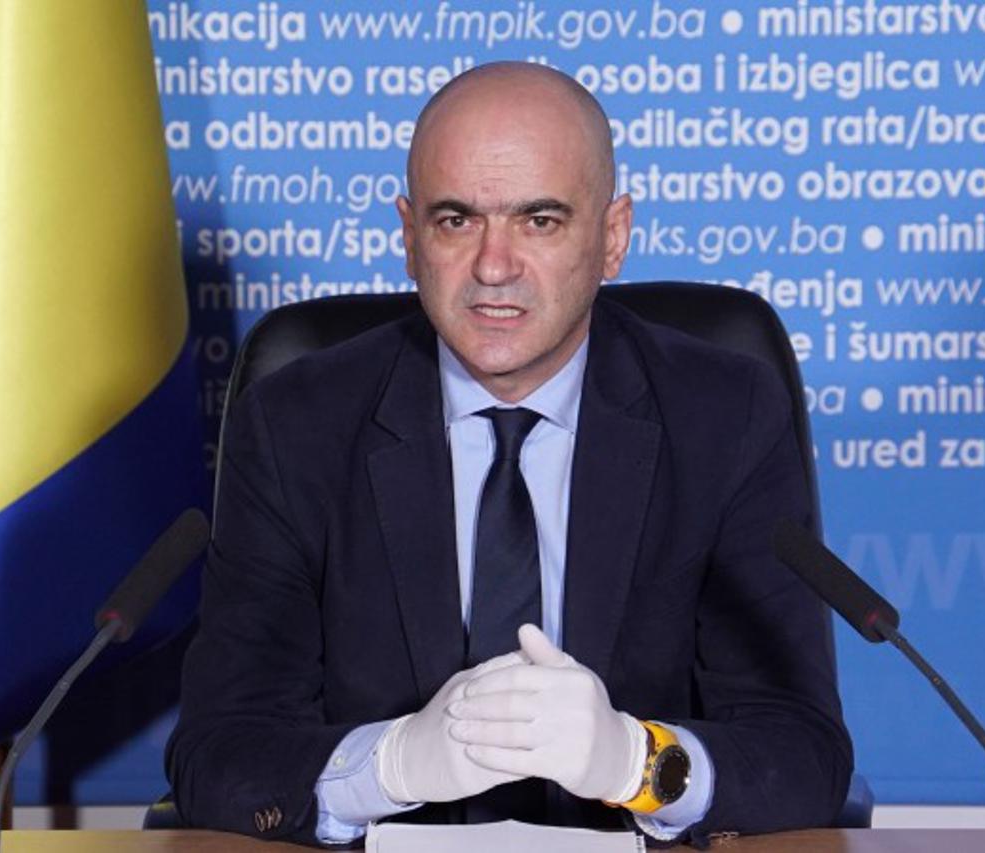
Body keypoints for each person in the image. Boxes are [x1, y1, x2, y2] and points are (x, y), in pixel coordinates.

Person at [166, 61, 851, 847]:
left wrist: (638, 760)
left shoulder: (725, 417)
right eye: (456, 220)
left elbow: (803, 751)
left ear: (613, 237)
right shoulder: (295, 425)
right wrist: (389, 765)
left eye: (540, 220)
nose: (494, 266)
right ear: (409, 237)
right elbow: (218, 753)